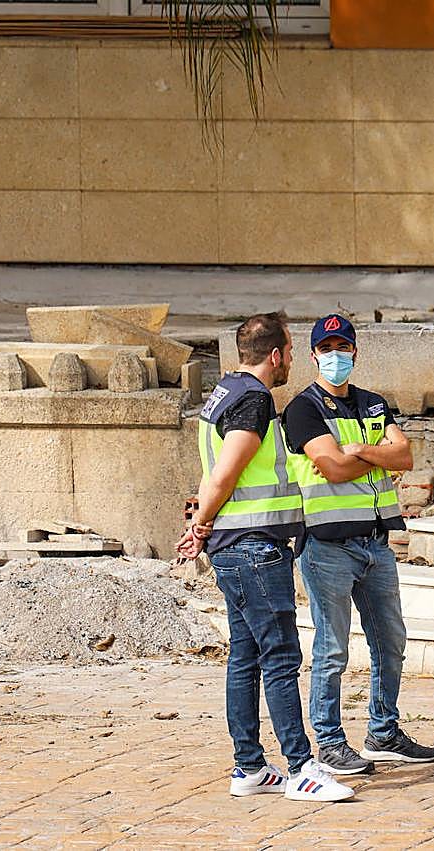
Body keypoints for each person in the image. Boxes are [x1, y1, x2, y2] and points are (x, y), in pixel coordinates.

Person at [176, 312, 353, 803]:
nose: (291, 362)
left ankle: (249, 767)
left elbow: (216, 472)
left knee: (246, 655)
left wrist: (203, 527)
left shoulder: (224, 392)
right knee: (280, 655)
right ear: (275, 355)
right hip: (254, 547)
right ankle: (301, 769)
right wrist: (201, 523)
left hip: (235, 546)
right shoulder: (254, 400)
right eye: (291, 352)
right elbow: (226, 473)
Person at [282, 313, 434, 776]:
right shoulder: (303, 409)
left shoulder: (373, 404)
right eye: (326, 348)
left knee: (391, 641)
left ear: (355, 351)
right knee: (332, 649)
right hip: (327, 545)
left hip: (375, 543)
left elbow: (405, 455)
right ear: (314, 355)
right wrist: (374, 457)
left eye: (343, 347)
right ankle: (330, 742)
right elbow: (331, 468)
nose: (336, 356)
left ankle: (383, 732)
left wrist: (359, 452)